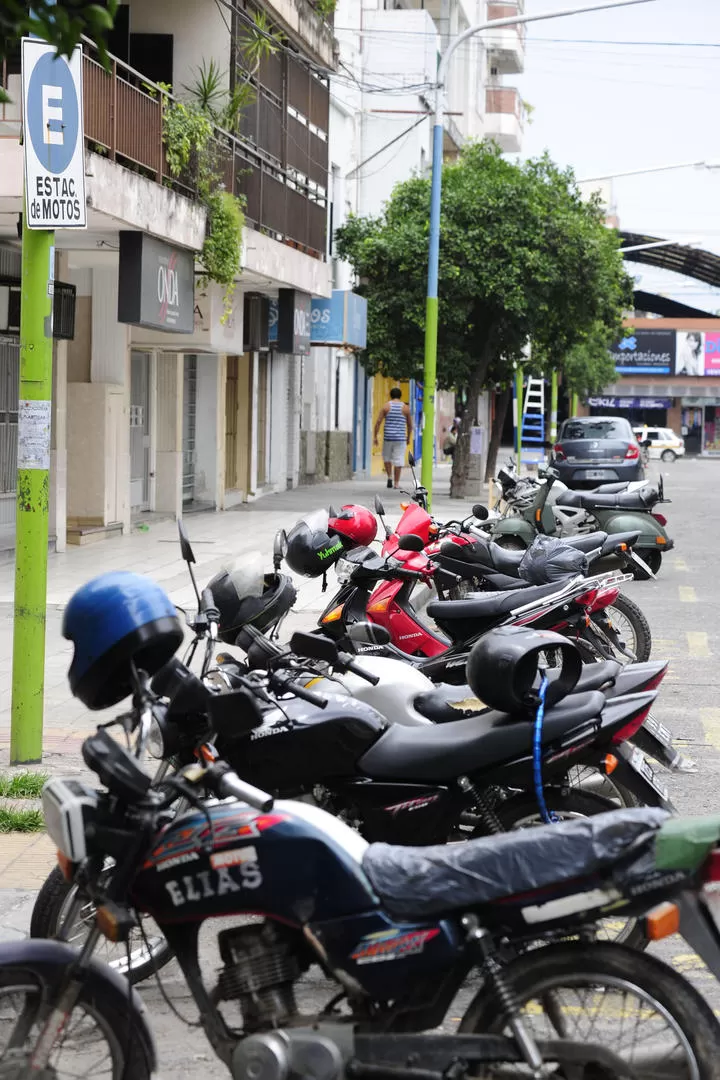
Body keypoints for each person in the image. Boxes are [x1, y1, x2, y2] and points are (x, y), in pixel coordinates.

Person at [374, 387, 412, 489]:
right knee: (399, 460)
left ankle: (389, 477)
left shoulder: (386, 406)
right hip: (400, 438)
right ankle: (396, 483)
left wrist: (375, 436)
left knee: (387, 458)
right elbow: (409, 425)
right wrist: (408, 437)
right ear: (400, 395)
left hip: (388, 437)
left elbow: (378, 422)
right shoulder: (405, 408)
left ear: (390, 395)